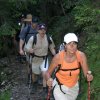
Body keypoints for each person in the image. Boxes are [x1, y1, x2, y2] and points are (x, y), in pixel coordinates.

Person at [45, 33, 93, 100]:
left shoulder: (81, 56)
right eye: (69, 44)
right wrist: (48, 79)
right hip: (59, 87)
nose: (72, 46)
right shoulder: (58, 57)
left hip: (74, 89)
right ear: (65, 45)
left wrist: (89, 76)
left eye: (74, 43)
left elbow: (86, 73)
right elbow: (48, 73)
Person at [24, 23, 56, 94]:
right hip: (35, 59)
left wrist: (55, 54)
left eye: (44, 29)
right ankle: (34, 84)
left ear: (46, 30)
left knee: (45, 73)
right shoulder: (33, 38)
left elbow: (52, 48)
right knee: (34, 74)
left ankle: (45, 88)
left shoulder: (48, 38)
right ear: (38, 30)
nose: (42, 31)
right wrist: (29, 50)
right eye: (41, 29)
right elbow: (26, 48)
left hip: (44, 59)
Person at [19, 14, 38, 83]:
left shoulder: (39, 28)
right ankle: (29, 76)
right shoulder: (26, 29)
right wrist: (21, 49)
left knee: (35, 63)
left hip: (37, 48)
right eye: (33, 23)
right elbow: (22, 39)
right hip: (28, 47)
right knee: (29, 63)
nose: (35, 24)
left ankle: (34, 78)